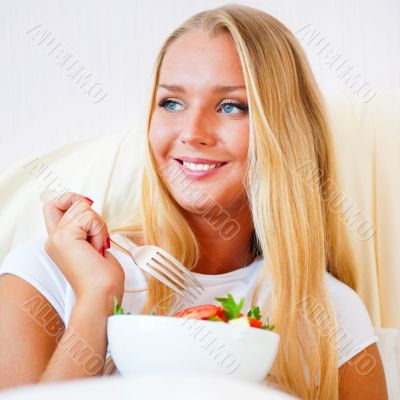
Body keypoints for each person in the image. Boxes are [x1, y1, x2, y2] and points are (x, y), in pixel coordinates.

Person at [0, 4, 388, 399]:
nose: (192, 132)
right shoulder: (46, 273)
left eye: (231, 106)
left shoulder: (330, 313)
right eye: (171, 103)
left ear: (285, 133)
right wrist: (96, 298)